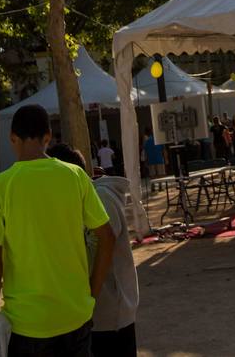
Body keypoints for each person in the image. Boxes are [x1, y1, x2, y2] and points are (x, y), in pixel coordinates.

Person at [0, 105, 114, 357]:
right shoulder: (76, 176)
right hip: (76, 316)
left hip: (27, 325)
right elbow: (107, 238)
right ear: (48, 137)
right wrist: (90, 294)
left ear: (12, 138)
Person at [48, 145, 140, 357]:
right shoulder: (74, 201)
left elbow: (96, 253)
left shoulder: (101, 198)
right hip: (90, 315)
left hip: (110, 317)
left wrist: (86, 299)